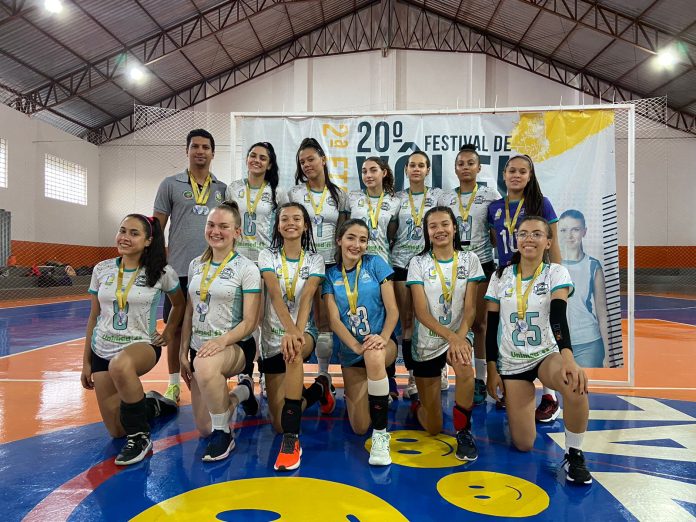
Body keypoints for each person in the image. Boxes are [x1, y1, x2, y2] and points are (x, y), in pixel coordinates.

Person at [485, 216, 593, 485]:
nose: (529, 239)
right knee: (524, 443)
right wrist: (491, 368)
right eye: (523, 234)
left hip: (545, 355)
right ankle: (521, 405)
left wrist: (568, 358)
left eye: (536, 234)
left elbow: (558, 315)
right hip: (512, 362)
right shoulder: (500, 276)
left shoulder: (556, 272)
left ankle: (574, 453)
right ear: (516, 240)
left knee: (575, 384)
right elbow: (492, 325)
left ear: (548, 242)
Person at [81, 214, 185, 466]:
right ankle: (152, 405)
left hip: (141, 345)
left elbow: (179, 304)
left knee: (121, 365)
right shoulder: (102, 269)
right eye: (122, 231)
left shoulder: (161, 272)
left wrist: (169, 331)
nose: (125, 237)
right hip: (102, 349)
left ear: (148, 241)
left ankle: (141, 438)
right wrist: (86, 361)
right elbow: (94, 316)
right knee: (117, 430)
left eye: (134, 233)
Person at [179, 201, 261, 462]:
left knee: (205, 366)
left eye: (224, 226)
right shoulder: (195, 264)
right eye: (211, 225)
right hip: (200, 348)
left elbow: (250, 321)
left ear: (237, 232)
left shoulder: (247, 268)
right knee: (204, 428)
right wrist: (183, 352)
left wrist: (222, 341)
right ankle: (243, 392)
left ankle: (224, 434)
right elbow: (189, 312)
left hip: (235, 345)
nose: (216, 231)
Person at [258, 202, 335, 471]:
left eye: (297, 219)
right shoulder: (267, 255)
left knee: (293, 355)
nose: (290, 223)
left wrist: (296, 333)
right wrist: (287, 330)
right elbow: (275, 294)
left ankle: (291, 441)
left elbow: (306, 298)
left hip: (303, 332)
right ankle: (319, 389)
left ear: (305, 226)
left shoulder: (314, 259)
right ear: (278, 226)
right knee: (278, 422)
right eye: (285, 219)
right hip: (272, 336)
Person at [154, 129, 226, 404]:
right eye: (195, 146)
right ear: (187, 150)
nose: (200, 151)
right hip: (179, 270)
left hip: (213, 273)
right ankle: (173, 384)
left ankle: (213, 379)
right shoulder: (170, 184)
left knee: (212, 326)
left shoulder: (222, 189)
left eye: (205, 147)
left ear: (212, 153)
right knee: (174, 328)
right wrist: (157, 264)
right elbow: (157, 228)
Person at [407, 207, 485, 461]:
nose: (439, 230)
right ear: (427, 232)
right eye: (433, 226)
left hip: (459, 333)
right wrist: (451, 338)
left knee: (465, 370)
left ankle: (464, 431)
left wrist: (459, 338)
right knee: (433, 427)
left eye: (444, 224)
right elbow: (421, 313)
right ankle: (418, 404)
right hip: (427, 341)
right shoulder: (418, 263)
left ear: (454, 227)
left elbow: (470, 309)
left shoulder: (470, 259)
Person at [488, 154, 561, 420]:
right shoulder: (495, 208)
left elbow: (554, 244)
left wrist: (557, 278)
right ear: (504, 175)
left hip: (538, 277)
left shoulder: (542, 203)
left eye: (522, 171)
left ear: (530, 176)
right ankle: (513, 387)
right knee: (509, 333)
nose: (516, 175)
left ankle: (550, 397)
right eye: (512, 171)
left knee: (545, 332)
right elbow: (496, 241)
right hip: (509, 279)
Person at [322, 219, 398, 466]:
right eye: (351, 238)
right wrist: (356, 347)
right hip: (351, 352)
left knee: (373, 355)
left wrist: (383, 338)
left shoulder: (375, 264)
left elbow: (393, 310)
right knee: (358, 427)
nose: (356, 244)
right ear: (339, 240)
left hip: (380, 344)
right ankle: (373, 392)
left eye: (363, 240)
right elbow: (334, 320)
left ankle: (381, 436)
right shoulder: (331, 275)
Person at [440, 144, 501, 405]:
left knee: (480, 325)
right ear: (455, 169)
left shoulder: (490, 196)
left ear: (479, 167)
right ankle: (441, 373)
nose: (465, 167)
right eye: (461, 163)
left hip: (482, 264)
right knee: (448, 320)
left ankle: (481, 379)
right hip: (453, 265)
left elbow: (497, 234)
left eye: (470, 163)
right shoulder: (446, 199)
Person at [289, 138, 349, 392]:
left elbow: (343, 233)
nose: (306, 165)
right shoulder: (294, 194)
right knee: (298, 321)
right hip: (302, 265)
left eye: (311, 159)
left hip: (330, 265)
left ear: (323, 160)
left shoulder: (340, 195)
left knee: (325, 323)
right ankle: (286, 375)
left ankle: (323, 376)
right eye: (302, 162)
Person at [226, 141, 286, 393]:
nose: (257, 160)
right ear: (247, 159)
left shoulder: (277, 192)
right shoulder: (234, 189)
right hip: (238, 261)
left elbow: (283, 228)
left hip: (264, 262)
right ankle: (245, 373)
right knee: (241, 318)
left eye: (263, 158)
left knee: (262, 319)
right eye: (253, 155)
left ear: (269, 164)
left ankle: (264, 370)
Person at [347, 157, 400, 401]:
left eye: (373, 170)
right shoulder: (353, 198)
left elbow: (392, 234)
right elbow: (345, 229)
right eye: (364, 171)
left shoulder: (394, 201)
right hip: (356, 264)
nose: (368, 175)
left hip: (382, 266)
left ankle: (388, 376)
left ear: (384, 173)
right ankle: (364, 373)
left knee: (385, 316)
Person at [392, 152, 444, 399]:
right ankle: (412, 375)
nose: (416, 169)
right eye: (412, 165)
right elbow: (391, 229)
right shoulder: (397, 198)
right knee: (408, 321)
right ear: (406, 169)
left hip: (429, 262)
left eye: (421, 165)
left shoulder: (438, 196)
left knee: (433, 317)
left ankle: (439, 368)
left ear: (427, 170)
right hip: (401, 262)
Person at [559, 210, 610, 368]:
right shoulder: (550, 265)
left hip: (588, 344)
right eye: (564, 230)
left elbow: (602, 312)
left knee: (586, 384)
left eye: (575, 229)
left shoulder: (592, 266)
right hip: (556, 343)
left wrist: (608, 354)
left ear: (584, 232)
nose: (569, 235)